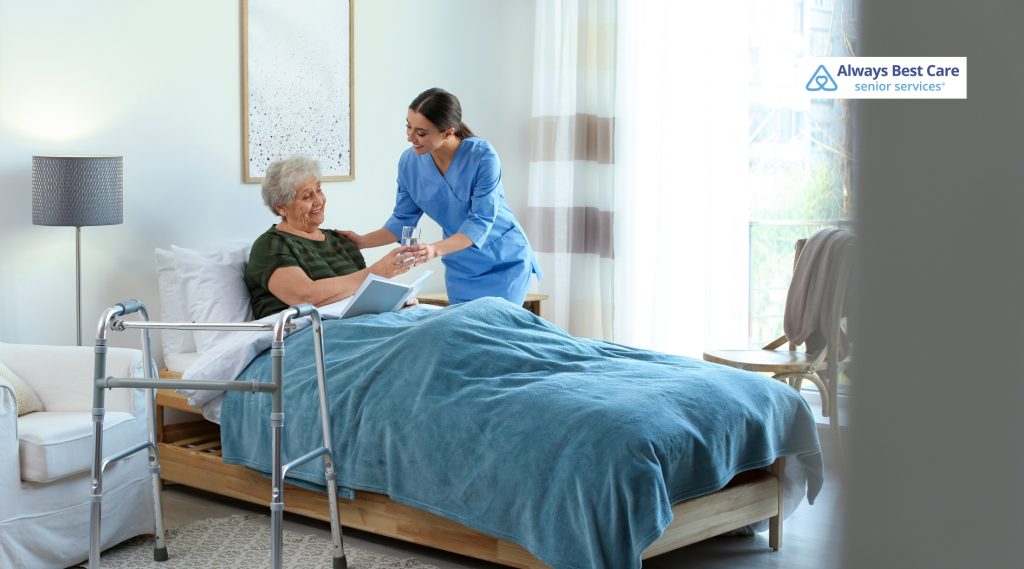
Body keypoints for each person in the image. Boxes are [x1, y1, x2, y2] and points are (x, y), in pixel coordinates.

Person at [339, 87, 541, 306]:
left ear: (448, 132)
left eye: (421, 133)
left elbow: (480, 222)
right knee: (463, 334)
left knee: (498, 331)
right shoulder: (409, 163)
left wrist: (433, 249)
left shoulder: (482, 156)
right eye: (408, 126)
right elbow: (401, 220)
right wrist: (361, 241)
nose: (410, 137)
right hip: (461, 266)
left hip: (504, 261)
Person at [245, 155, 412, 319]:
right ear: (281, 208)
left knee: (433, 322)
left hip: (357, 325)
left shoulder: (341, 241)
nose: (319, 201)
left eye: (318, 190)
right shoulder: (270, 245)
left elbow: (362, 296)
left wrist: (396, 301)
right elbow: (305, 297)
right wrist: (374, 273)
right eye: (306, 196)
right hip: (306, 335)